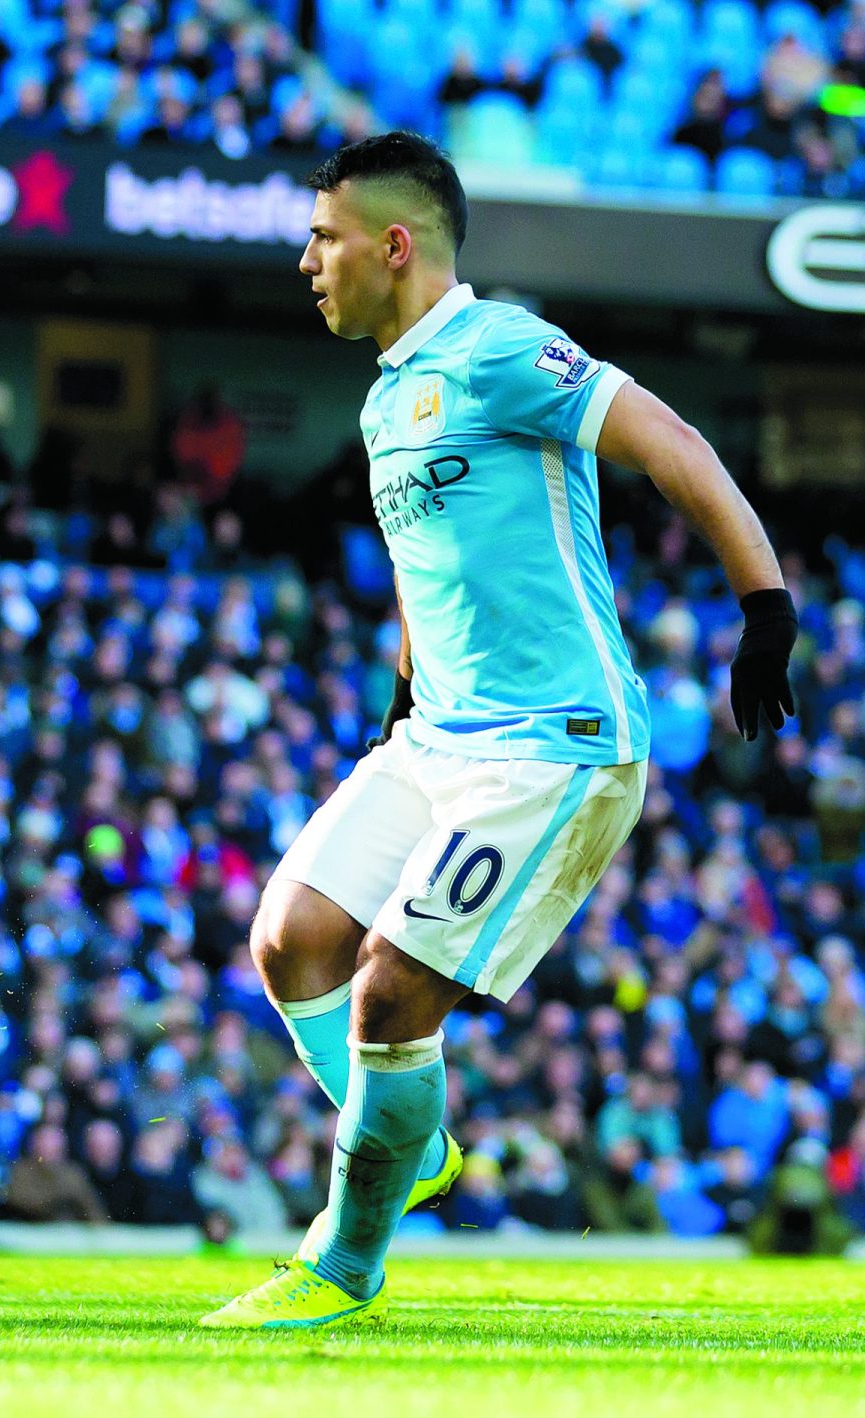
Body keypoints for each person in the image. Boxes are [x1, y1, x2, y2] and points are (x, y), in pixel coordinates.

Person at [203, 132, 797, 1330]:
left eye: (324, 237)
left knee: (387, 998)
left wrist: (765, 608)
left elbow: (674, 446)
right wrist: (402, 692)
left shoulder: (505, 350)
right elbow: (434, 573)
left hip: (555, 747)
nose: (307, 259)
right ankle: (410, 1143)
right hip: (439, 734)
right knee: (288, 937)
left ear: (395, 244)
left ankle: (344, 1261)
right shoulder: (385, 401)